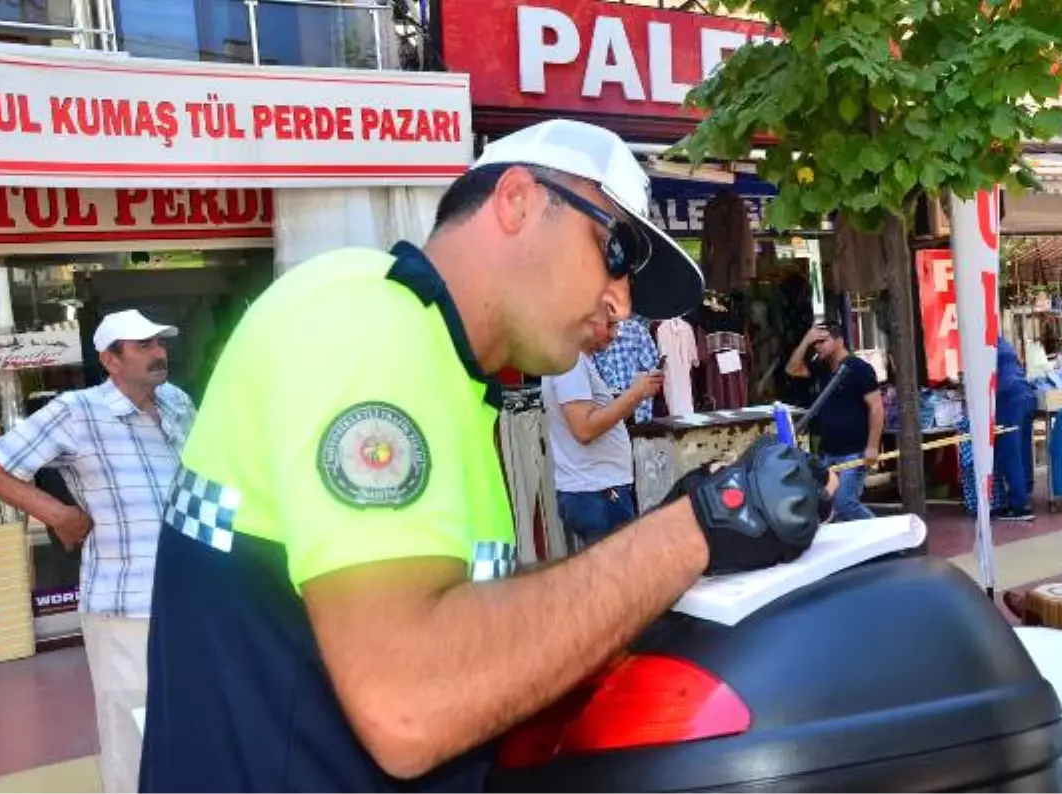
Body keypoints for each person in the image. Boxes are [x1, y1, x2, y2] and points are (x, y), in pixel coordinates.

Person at [138, 119, 838, 793]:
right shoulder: (367, 322)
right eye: (617, 254)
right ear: (516, 201)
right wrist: (697, 530)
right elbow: (410, 704)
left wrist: (677, 538)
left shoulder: (443, 367)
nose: (620, 305)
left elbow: (472, 627)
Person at [0, 310, 195, 794]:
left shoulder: (178, 403)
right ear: (109, 359)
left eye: (159, 342)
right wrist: (57, 514)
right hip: (125, 603)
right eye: (142, 345)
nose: (158, 353)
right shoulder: (77, 411)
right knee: (132, 724)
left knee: (192, 713)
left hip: (192, 596)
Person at [543, 317, 663, 548]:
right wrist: (635, 394)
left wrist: (633, 395)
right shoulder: (571, 363)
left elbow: (596, 420)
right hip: (596, 493)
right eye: (609, 326)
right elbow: (584, 429)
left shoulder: (577, 361)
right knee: (615, 576)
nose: (615, 334)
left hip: (599, 491)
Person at [786, 323, 882, 522]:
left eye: (823, 341)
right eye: (816, 343)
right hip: (828, 452)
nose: (817, 346)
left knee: (844, 502)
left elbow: (877, 407)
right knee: (826, 504)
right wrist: (806, 339)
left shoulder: (859, 369)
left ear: (839, 341)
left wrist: (872, 447)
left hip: (854, 451)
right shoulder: (820, 368)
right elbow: (793, 369)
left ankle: (887, 539)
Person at [994, 336, 1038, 521]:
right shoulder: (1003, 343)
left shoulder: (983, 345)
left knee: (1009, 451)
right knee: (1022, 449)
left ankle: (1019, 505)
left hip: (1008, 398)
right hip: (1026, 394)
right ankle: (1025, 492)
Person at [592, 315, 660, 424]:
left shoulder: (636, 332)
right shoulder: (585, 343)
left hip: (639, 421)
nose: (612, 335)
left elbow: (652, 372)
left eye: (613, 325)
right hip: (603, 424)